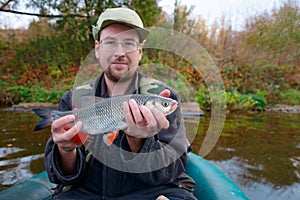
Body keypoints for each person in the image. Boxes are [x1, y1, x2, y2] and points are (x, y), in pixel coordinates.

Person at [44, 7, 197, 200]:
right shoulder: (73, 99)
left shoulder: (164, 96)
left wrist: (139, 141)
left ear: (140, 51)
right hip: (88, 192)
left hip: (149, 192)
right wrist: (66, 149)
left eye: (129, 43)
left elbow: (171, 171)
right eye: (110, 42)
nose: (120, 52)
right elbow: (61, 176)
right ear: (97, 49)